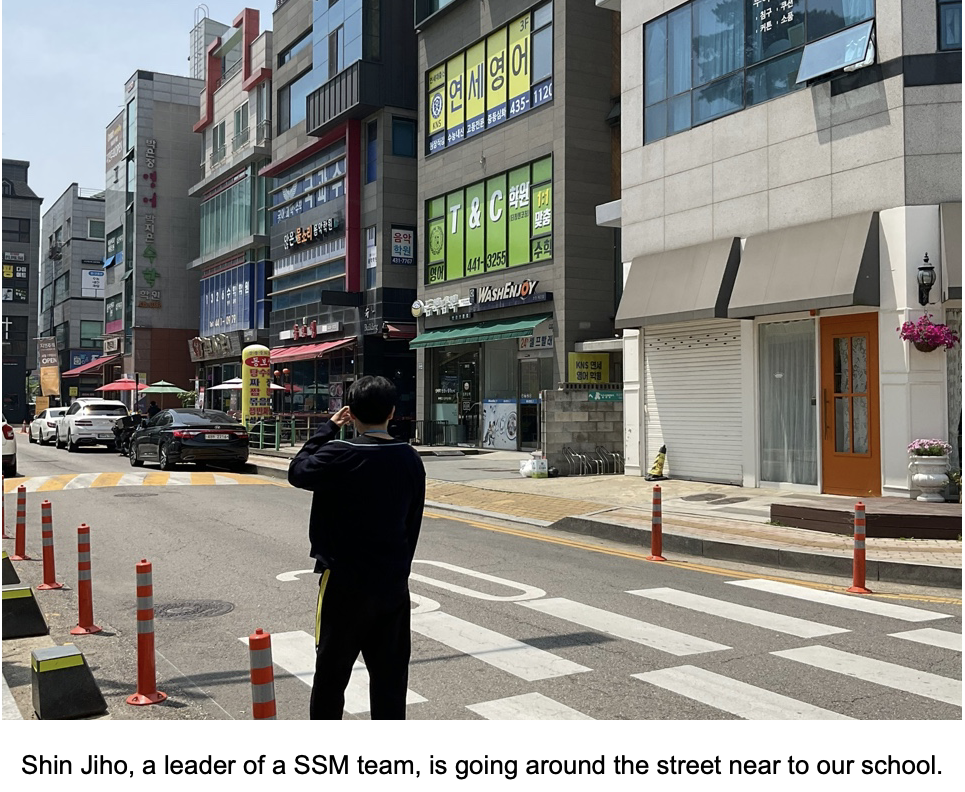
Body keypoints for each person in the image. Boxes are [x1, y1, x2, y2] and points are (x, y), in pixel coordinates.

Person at [288, 375, 426, 720]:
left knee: (331, 677)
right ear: (392, 412)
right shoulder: (409, 458)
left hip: (343, 583)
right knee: (390, 680)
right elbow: (413, 522)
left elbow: (297, 471)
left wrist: (328, 428)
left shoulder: (339, 453)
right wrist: (400, 568)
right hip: (392, 584)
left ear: (350, 412)